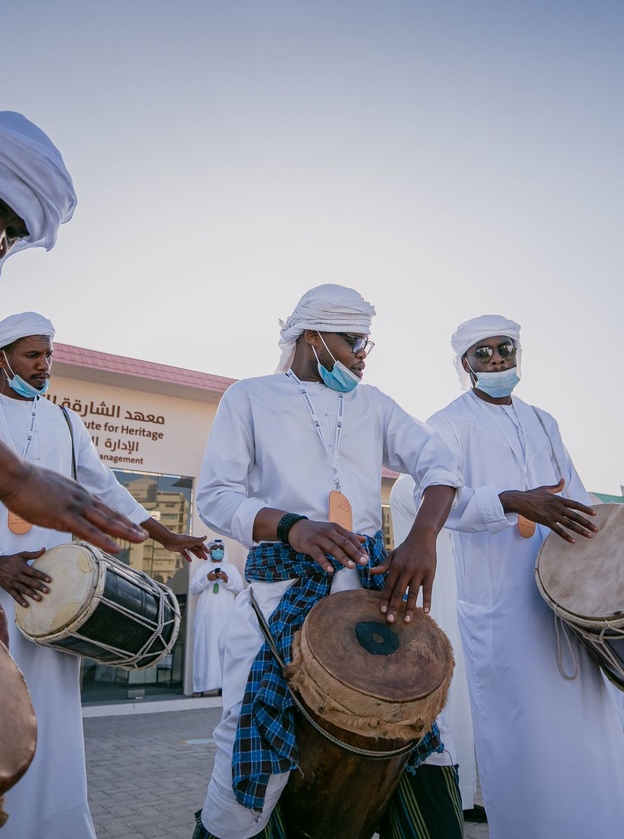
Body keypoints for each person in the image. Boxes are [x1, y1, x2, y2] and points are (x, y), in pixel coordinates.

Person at [192, 283, 462, 839]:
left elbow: (438, 461)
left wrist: (422, 537)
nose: (363, 354)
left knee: (412, 734)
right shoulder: (249, 397)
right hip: (279, 596)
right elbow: (215, 496)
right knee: (248, 743)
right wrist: (292, 527)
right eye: (353, 340)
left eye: (367, 342)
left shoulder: (374, 404)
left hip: (369, 598)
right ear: (312, 336)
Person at [0, 311, 208, 839]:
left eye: (49, 355)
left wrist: (168, 537)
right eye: (32, 355)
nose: (45, 366)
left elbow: (109, 490)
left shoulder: (67, 423)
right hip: (1, 593)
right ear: (1, 358)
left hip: (49, 597)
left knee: (51, 725)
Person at [427, 314, 624, 839]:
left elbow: (577, 498)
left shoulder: (543, 420)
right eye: (482, 352)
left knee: (584, 718)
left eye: (504, 348)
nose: (495, 359)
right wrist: (511, 501)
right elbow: (439, 502)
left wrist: (604, 556)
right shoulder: (448, 423)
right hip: (501, 600)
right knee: (524, 727)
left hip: (564, 594)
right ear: (465, 364)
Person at [0, 110, 147, 552]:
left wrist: (159, 533)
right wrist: (19, 480)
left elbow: (105, 486)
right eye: (3, 223)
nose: (4, 246)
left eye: (11, 234)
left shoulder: (64, 421)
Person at [390, 474, 480, 822]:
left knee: (462, 699)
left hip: (456, 600)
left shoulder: (446, 492)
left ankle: (463, 793)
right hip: (428, 600)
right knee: (440, 696)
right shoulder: (409, 486)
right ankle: (441, 794)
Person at [191, 539, 244, 696]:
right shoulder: (203, 569)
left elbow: (240, 588)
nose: (218, 550)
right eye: (214, 548)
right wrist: (207, 579)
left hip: (226, 616)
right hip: (205, 618)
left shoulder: (231, 568)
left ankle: (224, 687)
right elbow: (193, 588)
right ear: (209, 550)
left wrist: (227, 580)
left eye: (221, 548)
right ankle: (200, 687)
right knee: (204, 650)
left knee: (225, 650)